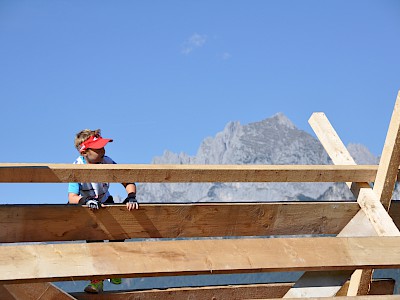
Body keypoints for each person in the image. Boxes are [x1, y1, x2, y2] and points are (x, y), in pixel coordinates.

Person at [68, 129, 138, 294]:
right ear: (84, 151)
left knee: (119, 232)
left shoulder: (107, 162)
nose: (103, 151)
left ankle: (114, 269)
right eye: (98, 149)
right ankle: (96, 282)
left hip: (105, 201)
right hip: (86, 207)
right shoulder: (76, 168)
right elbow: (72, 196)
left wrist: (131, 196)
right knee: (95, 241)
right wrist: (85, 201)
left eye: (103, 147)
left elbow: (128, 181)